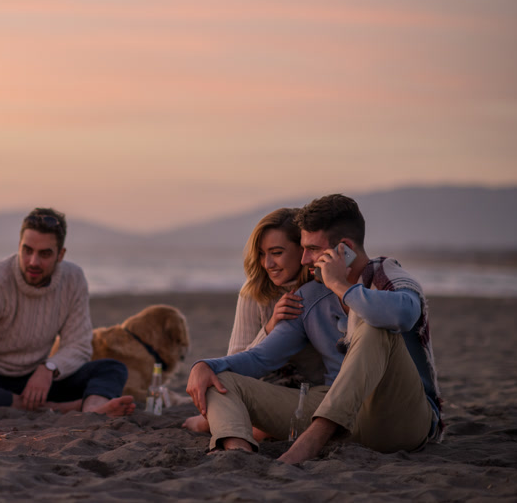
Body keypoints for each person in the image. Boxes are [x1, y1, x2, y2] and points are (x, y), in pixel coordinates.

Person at [277, 194, 442, 464]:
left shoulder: (387, 274)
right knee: (225, 383)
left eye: (313, 248)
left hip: (407, 418)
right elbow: (262, 353)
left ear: (344, 249)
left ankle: (315, 437)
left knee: (377, 323)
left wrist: (341, 286)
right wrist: (211, 368)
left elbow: (402, 314)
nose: (304, 258)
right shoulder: (317, 294)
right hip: (353, 416)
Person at [0, 207, 135, 417]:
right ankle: (51, 407)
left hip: (36, 380)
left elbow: (79, 345)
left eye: (44, 254)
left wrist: (48, 368)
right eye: (27, 250)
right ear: (19, 246)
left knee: (112, 369)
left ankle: (93, 410)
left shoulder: (73, 279)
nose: (33, 262)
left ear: (60, 255)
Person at [182, 207, 326, 433]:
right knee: (217, 384)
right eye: (261, 254)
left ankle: (213, 422)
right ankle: (205, 422)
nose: (267, 264)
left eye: (276, 252)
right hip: (263, 390)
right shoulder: (254, 293)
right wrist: (270, 327)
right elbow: (235, 362)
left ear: (303, 250)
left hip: (314, 394)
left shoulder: (325, 289)